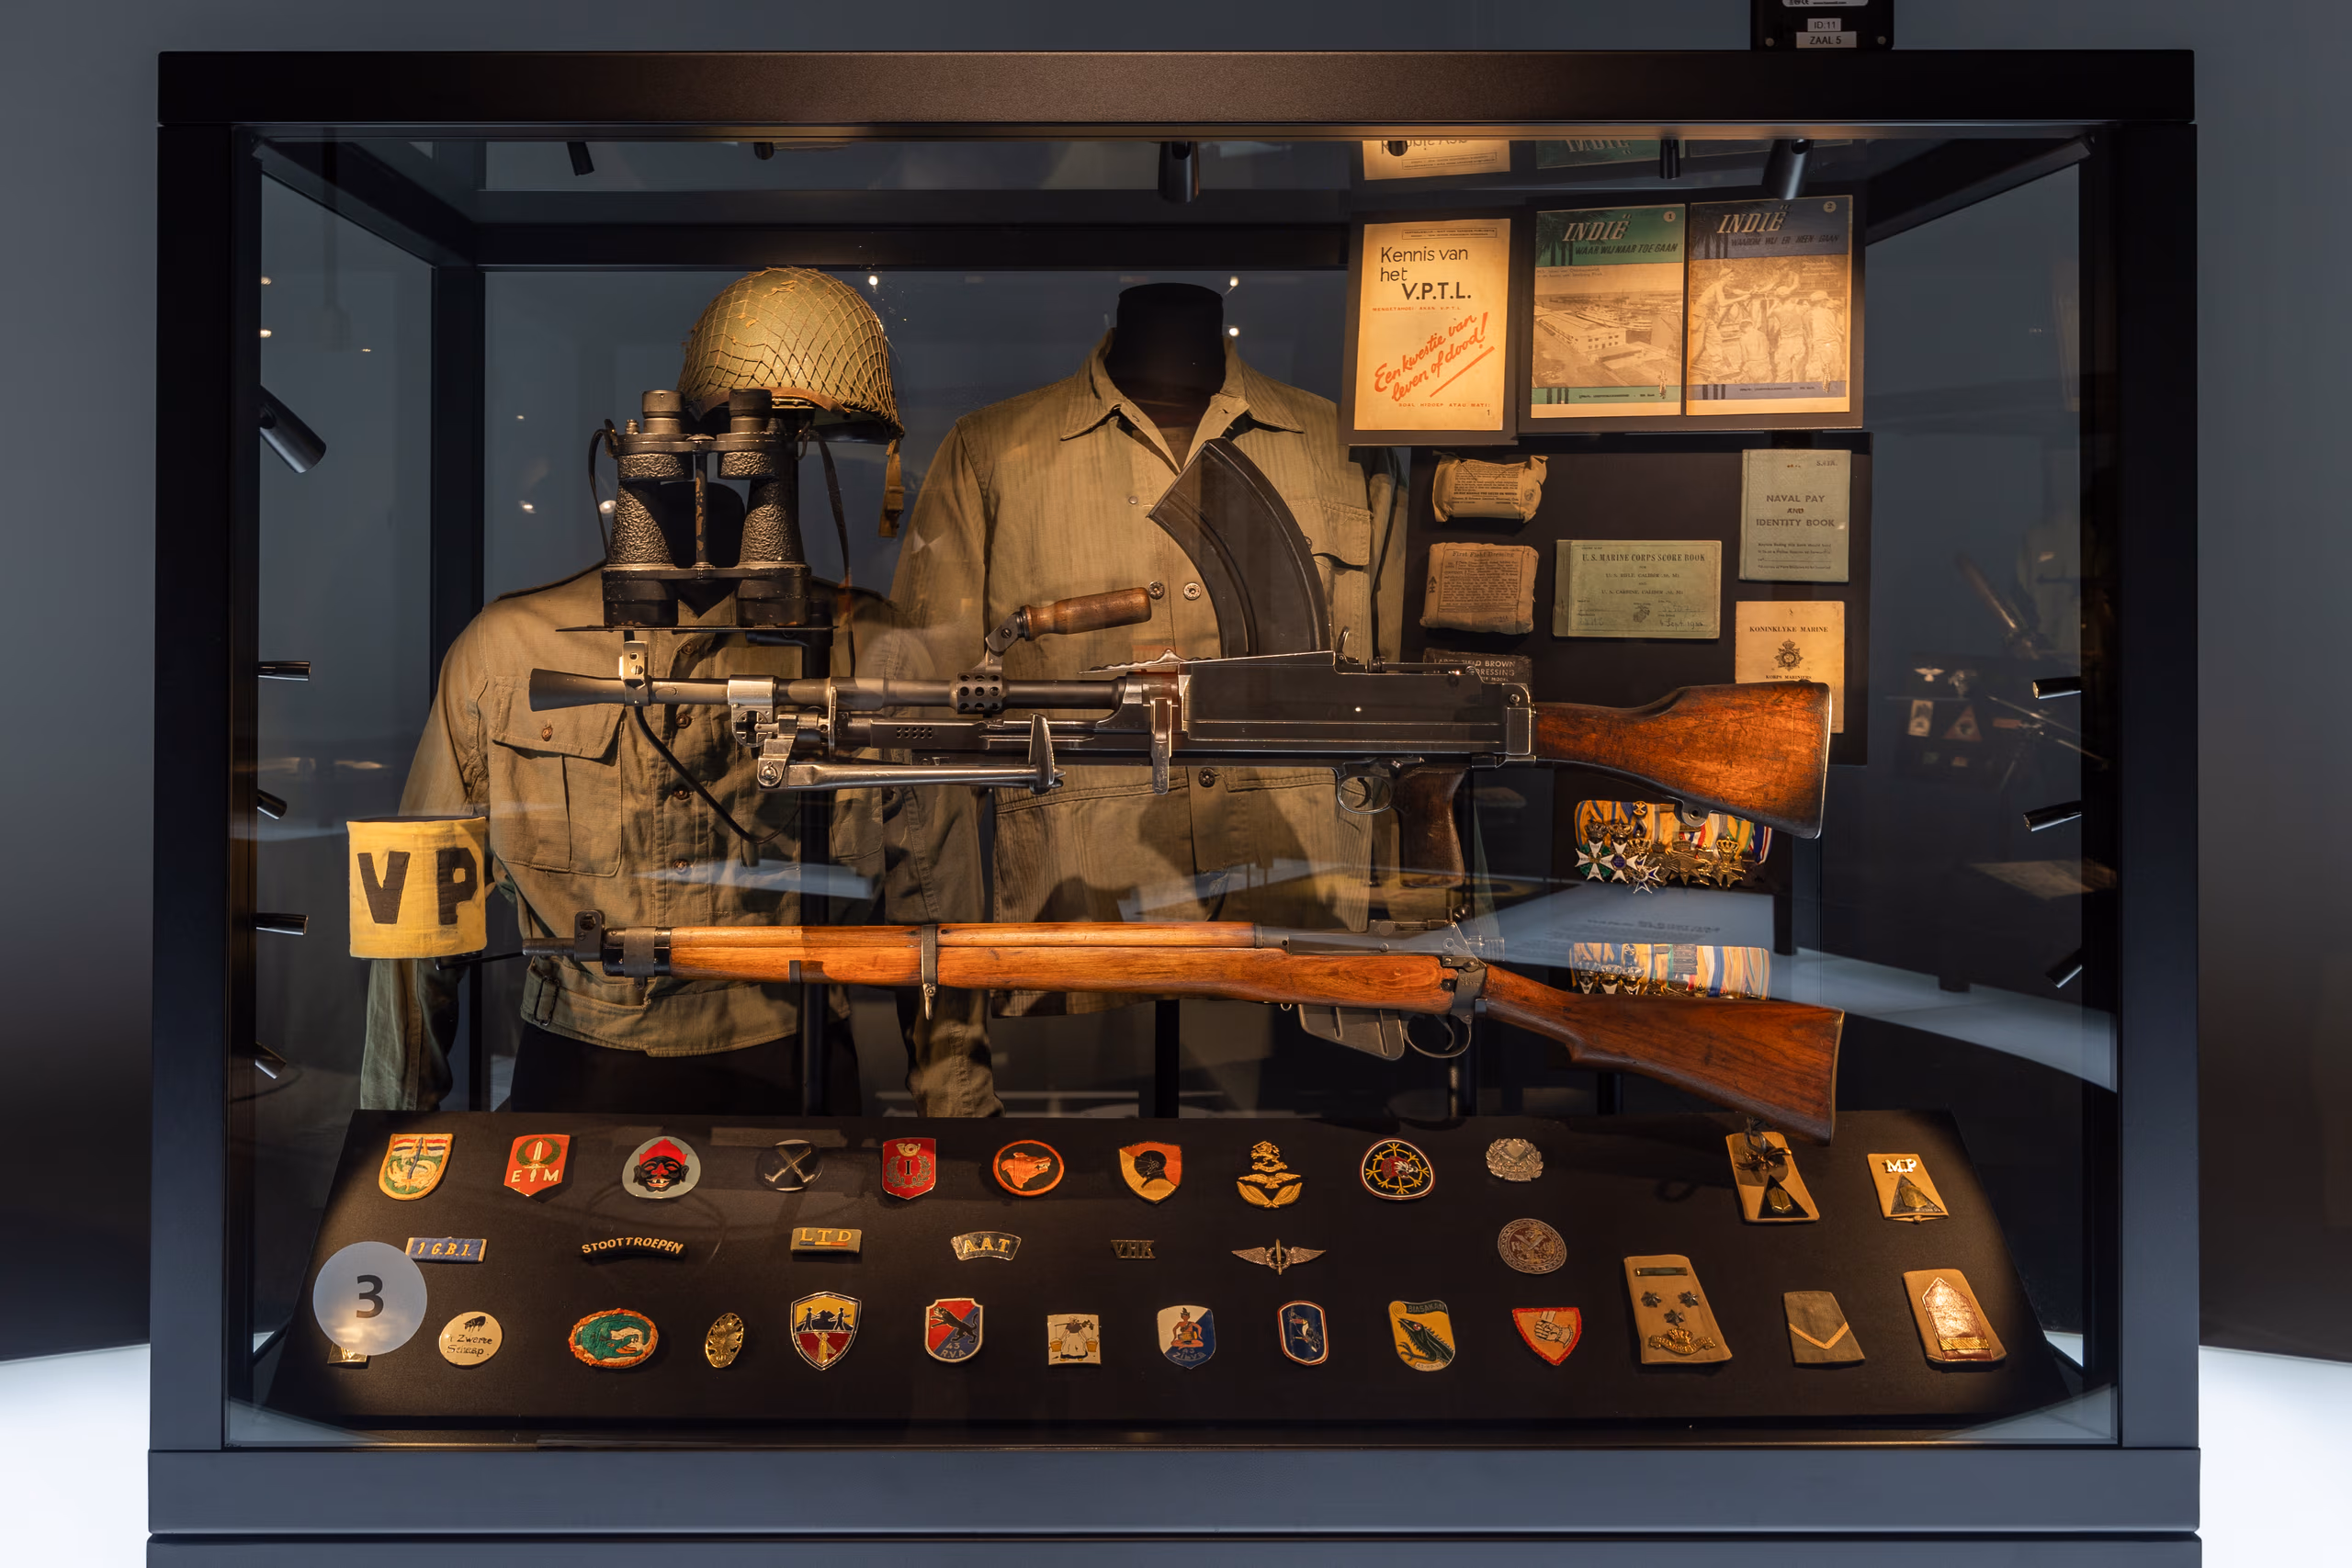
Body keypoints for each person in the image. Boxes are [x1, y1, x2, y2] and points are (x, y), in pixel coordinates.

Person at [362, 267, 996, 1117]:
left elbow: (938, 917)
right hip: (578, 1075)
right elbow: (416, 918)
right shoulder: (506, 653)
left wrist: (959, 1134)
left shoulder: (871, 654)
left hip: (793, 1064)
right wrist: (392, 1138)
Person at [864, 284, 1406, 1025]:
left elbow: (1406, 724)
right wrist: (952, 1049)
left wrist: (1409, 956)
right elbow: (928, 755)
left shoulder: (1347, 450)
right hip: (1080, 967)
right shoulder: (990, 456)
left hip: (1312, 962)